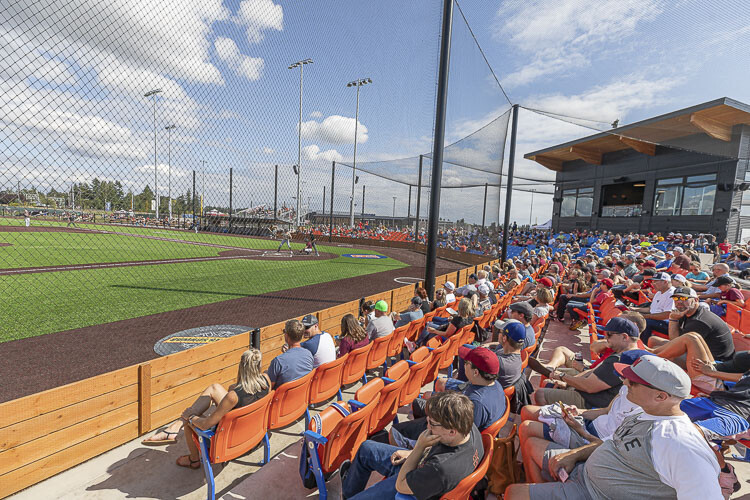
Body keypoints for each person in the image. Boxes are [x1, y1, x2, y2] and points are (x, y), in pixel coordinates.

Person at [506, 356, 722, 500]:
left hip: (593, 493)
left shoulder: (681, 445)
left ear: (661, 396)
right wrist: (573, 454)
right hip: (584, 471)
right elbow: (611, 442)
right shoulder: (644, 412)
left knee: (512, 493)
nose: (625, 384)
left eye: (633, 382)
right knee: (532, 443)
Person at [141, 349, 271, 469]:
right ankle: (174, 428)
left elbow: (204, 425)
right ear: (258, 366)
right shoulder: (266, 380)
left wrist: (190, 417)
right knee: (214, 387)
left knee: (190, 424)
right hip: (253, 435)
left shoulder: (234, 396)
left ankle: (193, 459)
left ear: (241, 367)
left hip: (230, 444)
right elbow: (249, 396)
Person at [340, 391, 483, 499]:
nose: (427, 426)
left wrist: (419, 448)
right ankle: (348, 493)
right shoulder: (467, 427)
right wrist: (411, 454)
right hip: (423, 470)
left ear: (452, 431)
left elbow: (400, 485)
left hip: (415, 486)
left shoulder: (441, 468)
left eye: (432, 424)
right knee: (367, 449)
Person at [390, 346, 506, 446]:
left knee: (394, 432)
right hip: (451, 417)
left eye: (466, 363)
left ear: (476, 372)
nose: (464, 365)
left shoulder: (476, 403)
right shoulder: (495, 385)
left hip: (445, 430)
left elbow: (460, 438)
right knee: (416, 403)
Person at [532, 317, 640, 408]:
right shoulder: (629, 353)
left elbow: (589, 387)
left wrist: (562, 376)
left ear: (624, 337)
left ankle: (553, 426)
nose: (605, 337)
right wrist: (567, 382)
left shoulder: (620, 359)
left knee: (540, 395)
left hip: (594, 401)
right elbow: (592, 372)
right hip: (594, 394)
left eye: (609, 335)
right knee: (550, 383)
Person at [647, 286, 735, 370]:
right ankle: (650, 353)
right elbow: (676, 341)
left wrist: (673, 319)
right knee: (653, 340)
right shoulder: (686, 311)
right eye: (676, 298)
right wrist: (673, 318)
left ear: (696, 300)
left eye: (684, 298)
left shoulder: (700, 321)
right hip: (697, 351)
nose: (679, 302)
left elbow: (676, 343)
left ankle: (651, 358)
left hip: (713, 362)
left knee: (669, 357)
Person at [266, 319, 314, 388]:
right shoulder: (309, 354)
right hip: (303, 395)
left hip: (282, 398)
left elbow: (270, 387)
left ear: (286, 335)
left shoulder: (278, 361)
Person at [629, 272, 675, 343]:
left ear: (665, 282)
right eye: (653, 281)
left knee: (645, 322)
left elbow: (668, 314)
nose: (653, 283)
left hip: (667, 323)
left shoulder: (672, 294)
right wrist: (634, 309)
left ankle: (643, 345)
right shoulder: (659, 292)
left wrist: (646, 316)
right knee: (631, 315)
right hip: (655, 319)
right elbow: (651, 309)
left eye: (656, 281)